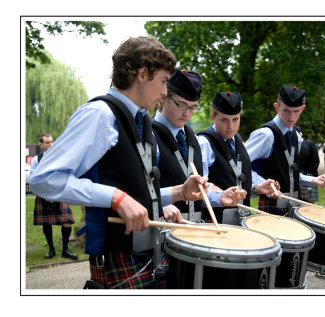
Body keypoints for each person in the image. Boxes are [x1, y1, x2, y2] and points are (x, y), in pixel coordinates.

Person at [29, 36, 209, 289]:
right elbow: (43, 179)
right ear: (142, 73)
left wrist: (180, 192)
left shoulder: (142, 120)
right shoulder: (99, 115)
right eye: (163, 81)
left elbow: (139, 193)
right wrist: (115, 197)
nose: (165, 92)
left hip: (149, 252)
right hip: (117, 256)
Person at [152, 70, 247, 222]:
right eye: (181, 105)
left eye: (193, 107)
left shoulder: (193, 139)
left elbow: (198, 189)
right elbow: (138, 193)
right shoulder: (149, 136)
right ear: (164, 98)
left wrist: (220, 196)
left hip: (194, 229)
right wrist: (161, 206)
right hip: (162, 230)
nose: (187, 114)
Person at [245, 85, 325, 216]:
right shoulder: (266, 135)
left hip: (293, 205)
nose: (291, 116)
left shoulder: (295, 135)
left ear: (302, 109)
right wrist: (261, 184)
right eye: (286, 110)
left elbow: (289, 173)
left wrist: (314, 181)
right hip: (271, 207)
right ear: (276, 107)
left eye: (296, 111)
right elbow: (239, 165)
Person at [197, 91, 279, 223]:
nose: (231, 126)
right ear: (213, 117)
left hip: (241, 220)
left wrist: (256, 188)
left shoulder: (238, 141)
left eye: (235, 119)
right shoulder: (203, 142)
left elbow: (236, 179)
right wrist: (220, 196)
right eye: (224, 120)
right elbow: (198, 188)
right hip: (216, 223)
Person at [28, 133, 78, 260]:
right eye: (47, 142)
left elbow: (66, 173)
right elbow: (32, 178)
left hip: (59, 193)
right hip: (43, 195)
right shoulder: (36, 160)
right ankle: (51, 250)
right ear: (41, 144)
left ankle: (65, 250)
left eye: (51, 142)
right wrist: (43, 192)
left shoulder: (60, 157)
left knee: (67, 221)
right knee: (46, 223)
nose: (50, 144)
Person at [297, 134, 320, 203]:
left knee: (309, 205)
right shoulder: (291, 144)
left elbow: (315, 161)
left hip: (308, 177)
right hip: (304, 177)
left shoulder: (309, 144)